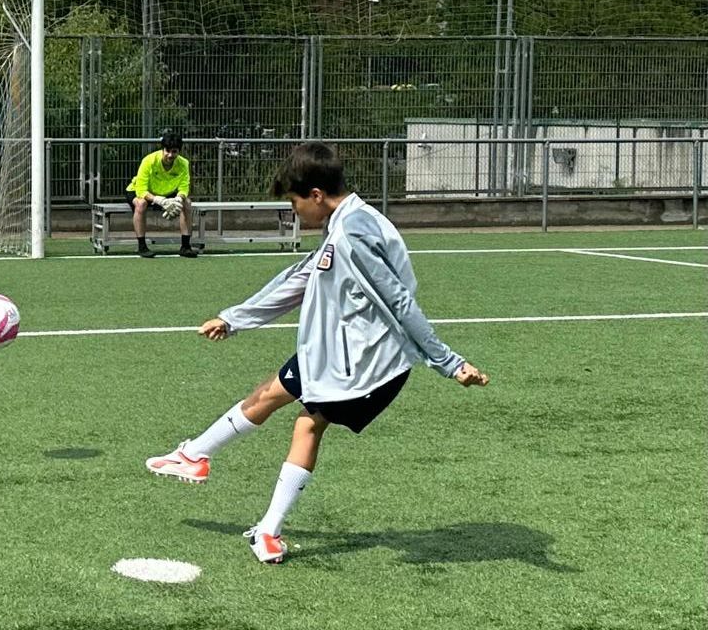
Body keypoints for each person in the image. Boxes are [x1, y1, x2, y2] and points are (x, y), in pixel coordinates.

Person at [143, 141, 489, 564]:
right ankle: (226, 489)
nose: (294, 212)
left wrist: (449, 363)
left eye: (294, 202)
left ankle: (202, 463)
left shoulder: (352, 233)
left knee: (287, 408)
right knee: (293, 414)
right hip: (350, 358)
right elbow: (300, 278)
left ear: (316, 196)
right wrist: (235, 318)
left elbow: (399, 303)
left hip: (359, 365)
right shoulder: (349, 222)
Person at [126, 129, 196, 258]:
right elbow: (141, 190)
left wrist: (178, 200)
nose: (170, 155)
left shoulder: (183, 163)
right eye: (167, 151)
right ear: (162, 149)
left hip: (167, 194)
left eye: (174, 151)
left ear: (179, 151)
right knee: (140, 204)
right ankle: (142, 246)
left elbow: (184, 188)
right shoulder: (149, 160)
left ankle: (185, 246)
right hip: (141, 192)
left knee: (187, 203)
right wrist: (160, 201)